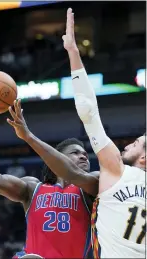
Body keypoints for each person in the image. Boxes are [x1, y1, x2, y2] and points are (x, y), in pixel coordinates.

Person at [0, 89, 99, 258]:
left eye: (84, 153)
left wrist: (28, 136)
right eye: (75, 152)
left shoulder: (93, 185)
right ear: (57, 158)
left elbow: (75, 174)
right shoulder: (33, 188)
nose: (83, 156)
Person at [62, 8, 146, 258]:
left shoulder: (115, 168)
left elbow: (88, 111)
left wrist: (74, 54)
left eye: (139, 143)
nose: (131, 143)